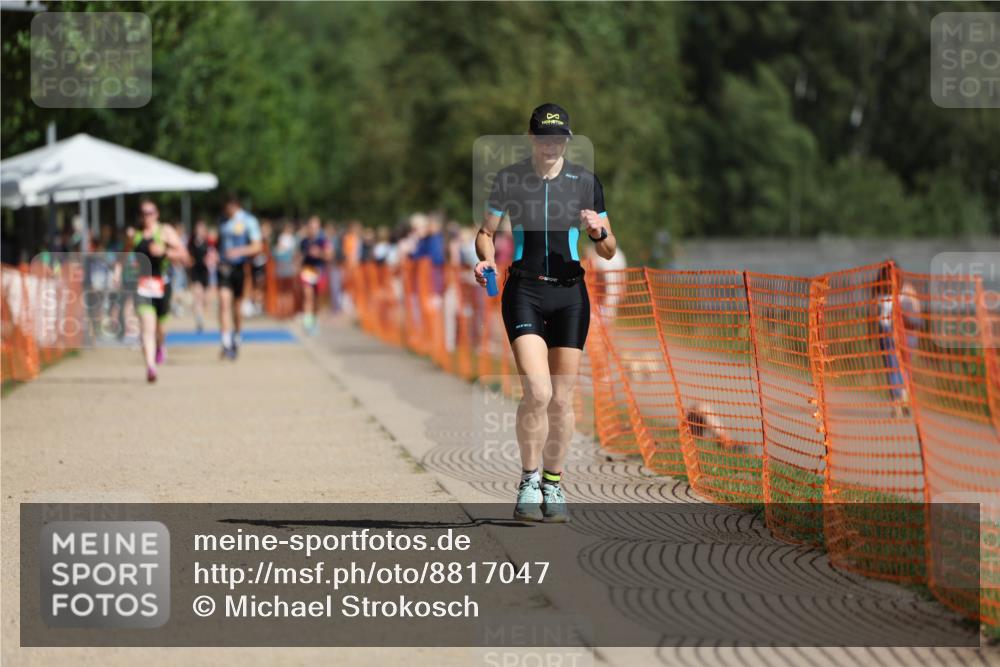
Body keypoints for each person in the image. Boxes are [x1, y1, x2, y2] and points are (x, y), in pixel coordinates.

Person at [473, 103, 617, 522]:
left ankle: (554, 483)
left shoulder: (585, 183)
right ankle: (529, 478)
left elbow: (607, 250)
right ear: (532, 139)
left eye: (559, 139)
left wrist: (598, 231)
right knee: (538, 392)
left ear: (566, 141)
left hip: (571, 296)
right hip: (525, 292)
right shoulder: (510, 179)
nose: (552, 145)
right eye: (545, 138)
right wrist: (485, 260)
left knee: (562, 399)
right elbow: (486, 233)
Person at [130, 199, 190, 383]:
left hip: (162, 285)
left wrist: (163, 251)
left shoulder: (165, 231)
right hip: (142, 286)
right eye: (143, 212)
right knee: (146, 328)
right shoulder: (134, 234)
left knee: (160, 328)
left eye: (151, 212)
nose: (147, 216)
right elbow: (126, 255)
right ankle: (150, 367)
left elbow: (185, 257)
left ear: (157, 214)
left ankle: (160, 345)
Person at [217, 193, 263, 360]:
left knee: (237, 305)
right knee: (223, 302)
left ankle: (237, 335)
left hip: (240, 268)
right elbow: (219, 243)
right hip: (224, 268)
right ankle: (225, 341)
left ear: (234, 205)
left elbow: (257, 246)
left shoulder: (248, 221)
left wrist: (240, 251)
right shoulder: (222, 221)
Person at [298, 215, 330, 334]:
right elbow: (300, 256)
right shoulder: (304, 241)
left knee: (317, 298)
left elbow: (329, 256)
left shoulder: (323, 241)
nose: (313, 229)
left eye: (315, 227)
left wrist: (319, 253)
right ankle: (307, 321)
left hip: (319, 269)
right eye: (311, 226)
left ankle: (315, 320)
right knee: (308, 295)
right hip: (308, 270)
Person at [187, 220, 213, 333]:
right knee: (197, 294)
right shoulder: (191, 241)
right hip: (195, 270)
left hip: (205, 271)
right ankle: (199, 318)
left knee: (205, 297)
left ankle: (204, 315)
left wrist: (211, 260)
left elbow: (213, 254)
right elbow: (187, 254)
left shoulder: (208, 242)